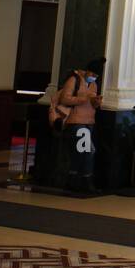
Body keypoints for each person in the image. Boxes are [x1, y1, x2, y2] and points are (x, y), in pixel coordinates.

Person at [55, 58, 104, 193]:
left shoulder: (94, 85)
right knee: (89, 150)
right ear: (87, 71)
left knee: (79, 153)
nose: (93, 78)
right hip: (76, 122)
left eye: (96, 76)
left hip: (89, 122)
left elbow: (92, 104)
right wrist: (83, 99)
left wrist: (96, 102)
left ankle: (72, 180)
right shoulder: (74, 79)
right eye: (92, 75)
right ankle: (86, 180)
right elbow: (64, 98)